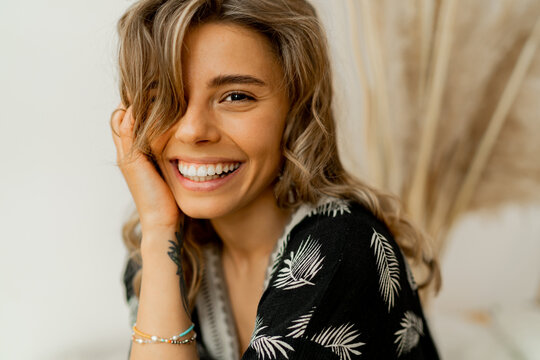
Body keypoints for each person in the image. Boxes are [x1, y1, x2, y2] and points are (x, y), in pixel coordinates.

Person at [111, 0, 441, 359]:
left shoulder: (340, 248)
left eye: (236, 96)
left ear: (296, 110)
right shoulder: (162, 253)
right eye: (163, 97)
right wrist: (159, 231)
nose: (192, 131)